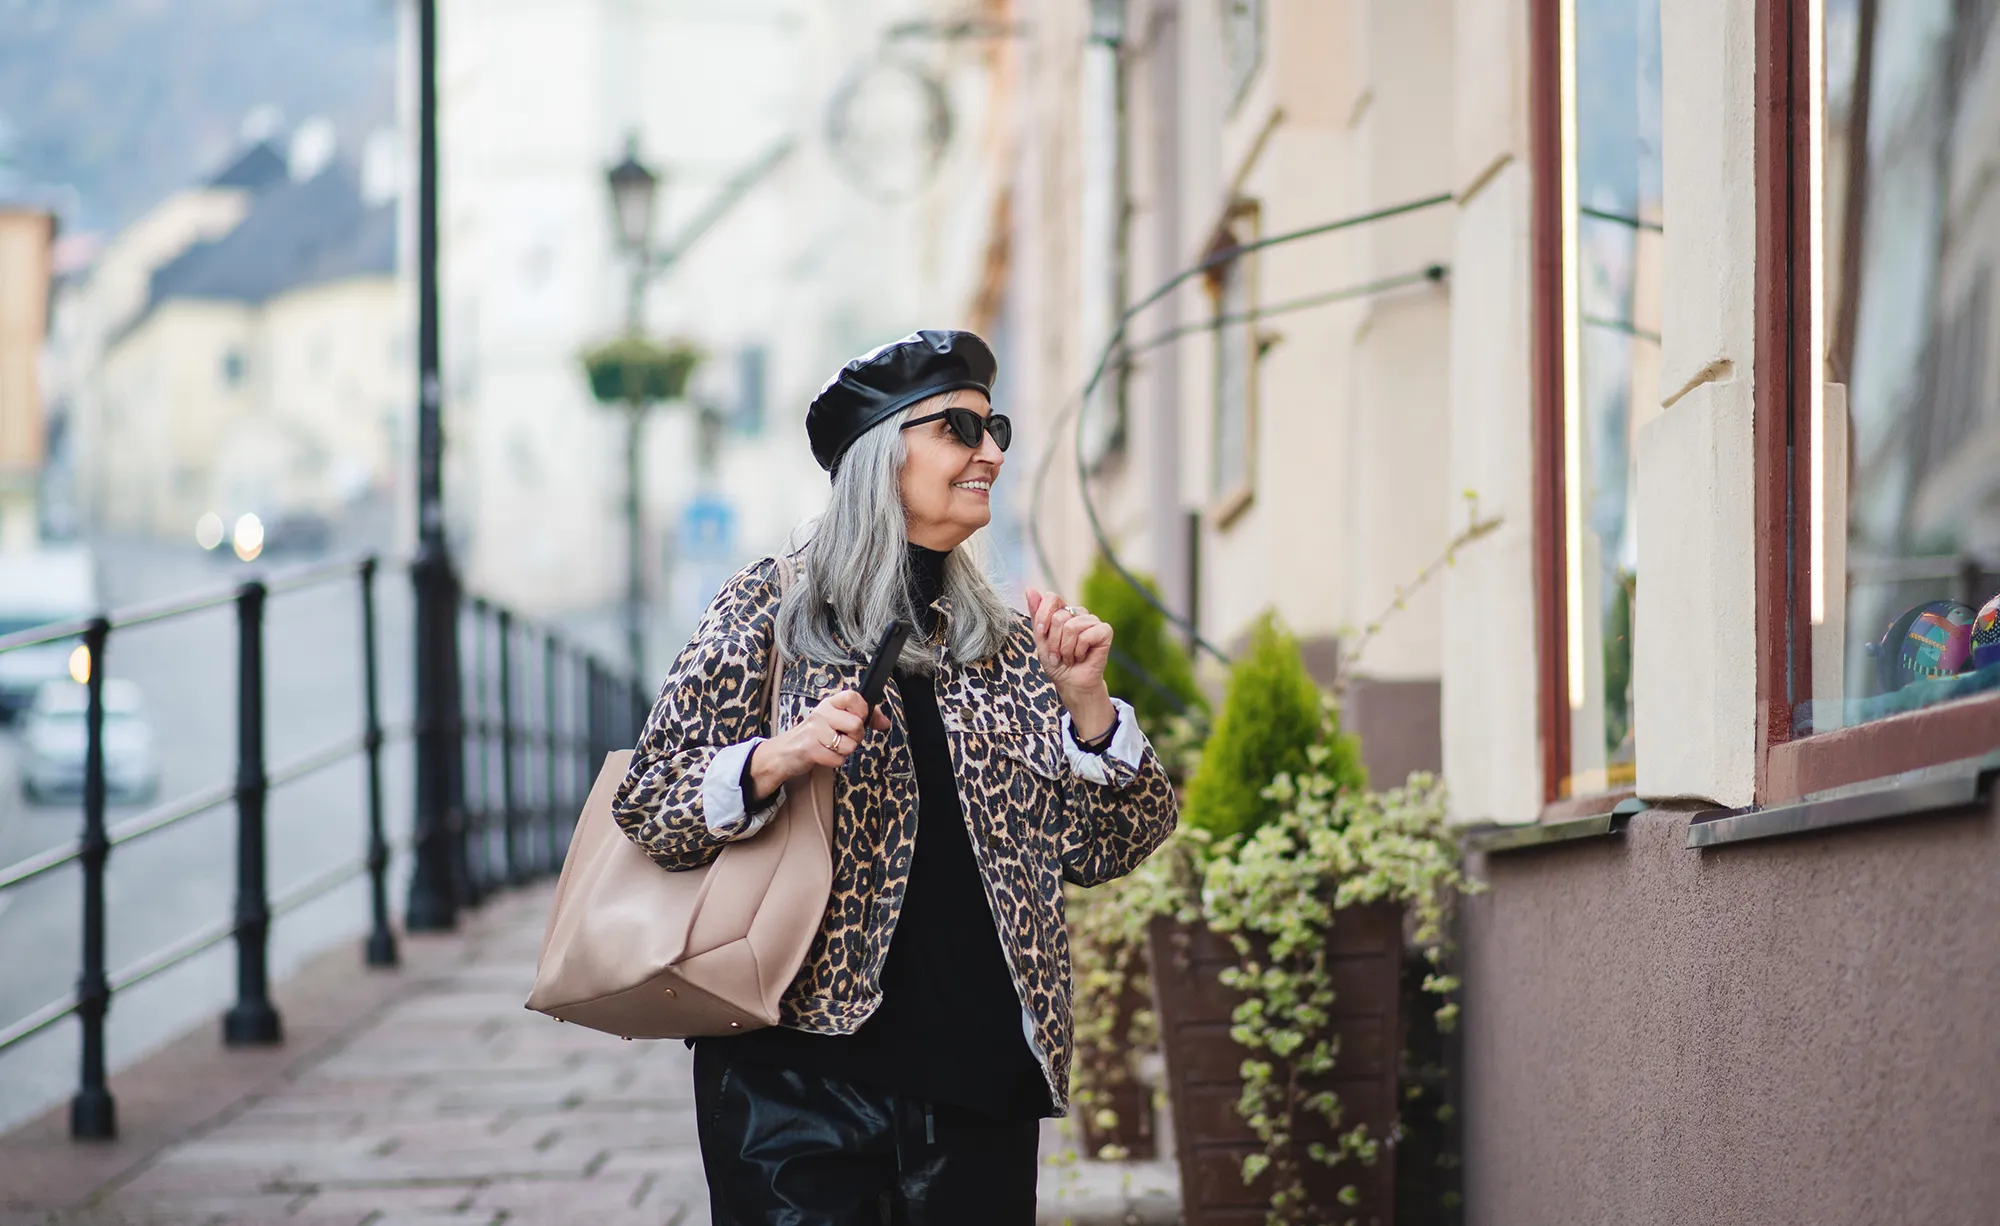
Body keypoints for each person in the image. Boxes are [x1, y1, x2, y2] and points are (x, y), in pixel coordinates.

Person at [611, 330, 1180, 1224]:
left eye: (996, 426)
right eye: (959, 427)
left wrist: (1088, 708)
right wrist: (778, 758)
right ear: (883, 455)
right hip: (797, 1082)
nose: (990, 450)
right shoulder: (774, 606)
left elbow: (1111, 845)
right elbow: (648, 802)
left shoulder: (1004, 640)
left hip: (982, 1082)